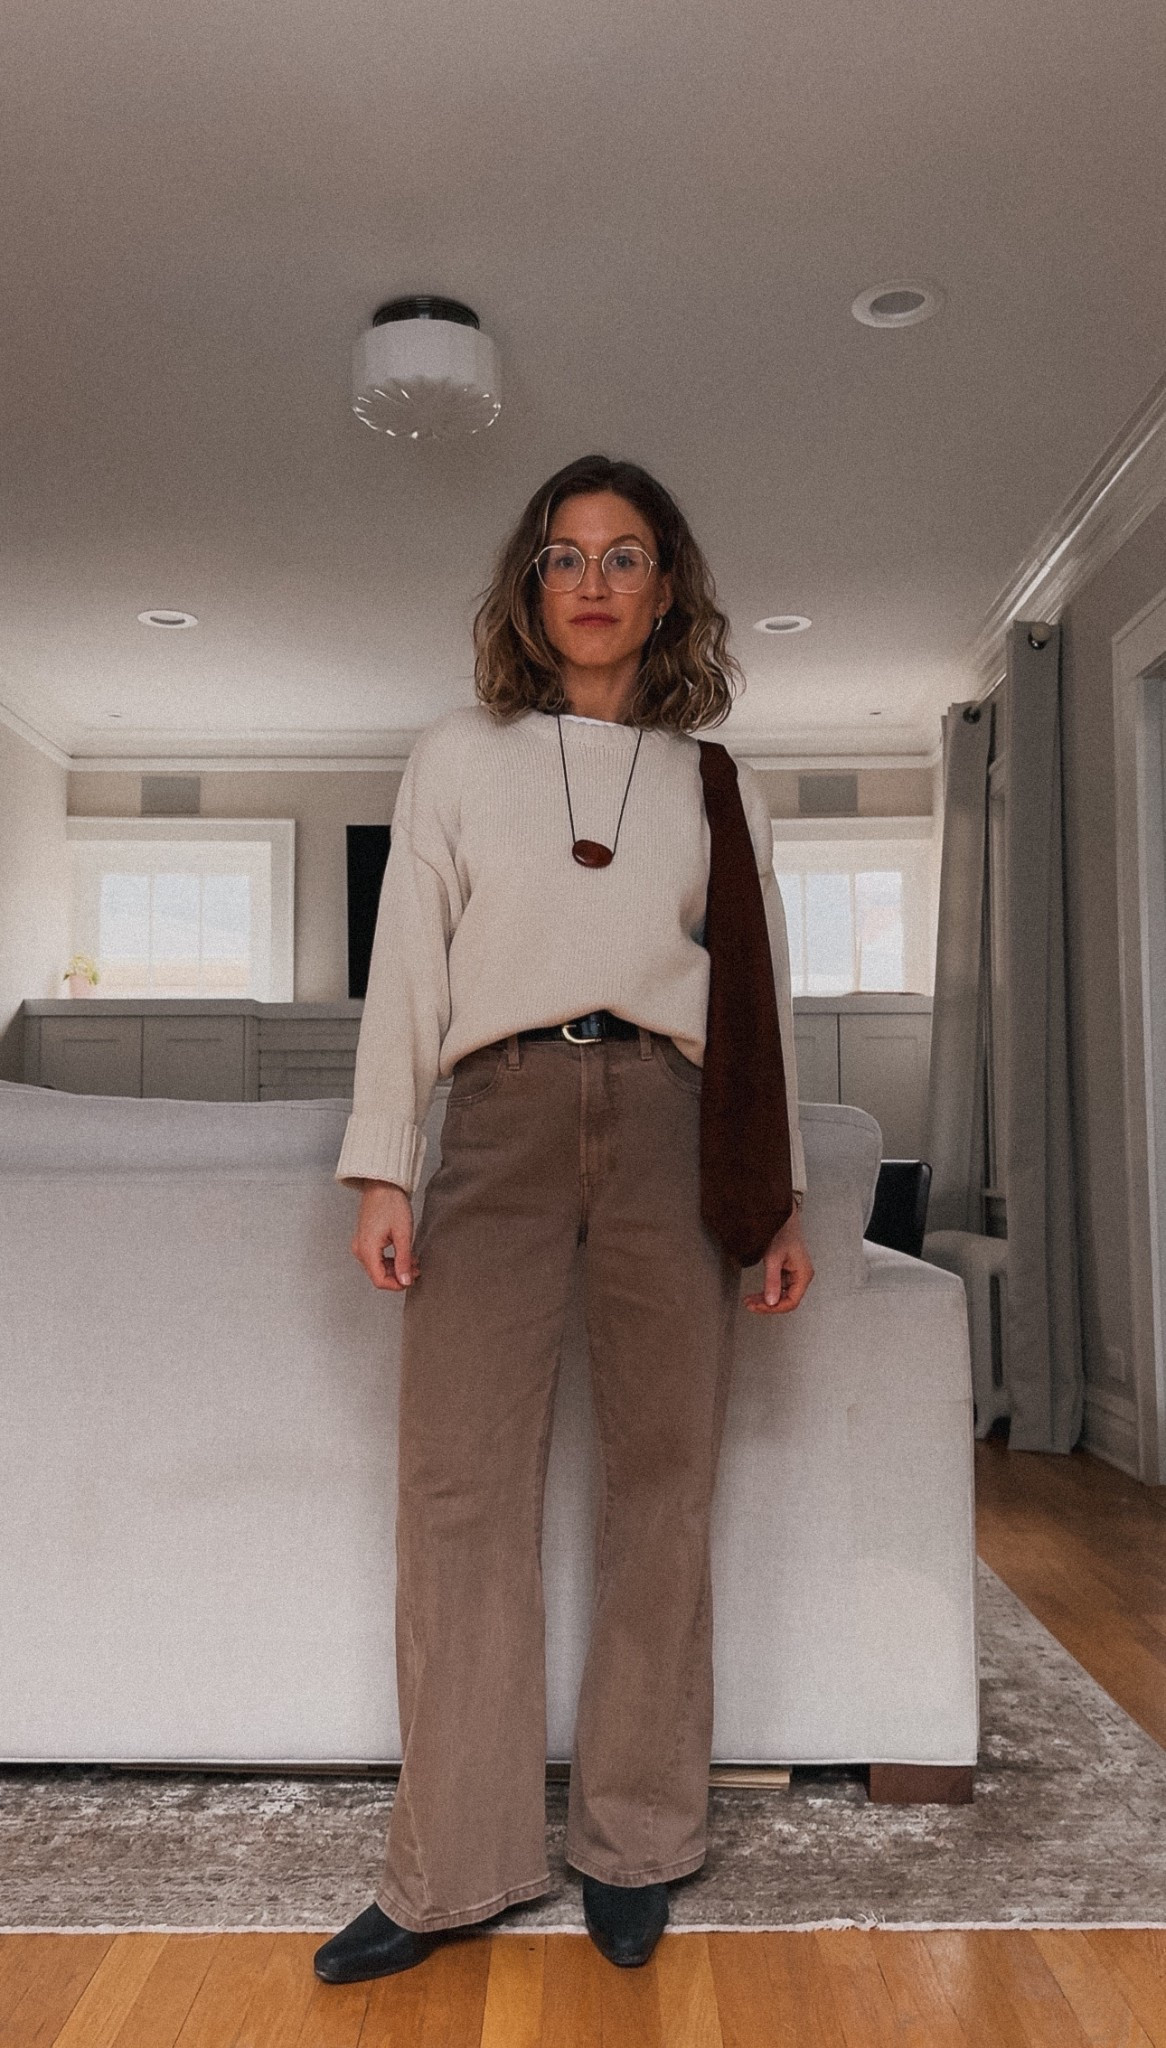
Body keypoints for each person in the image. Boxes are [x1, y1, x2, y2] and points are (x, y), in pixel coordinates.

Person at [313, 452, 813, 1984]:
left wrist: (777, 1198)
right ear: (530, 587)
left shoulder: (713, 782)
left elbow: (760, 1004)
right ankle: (451, 1868)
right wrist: (386, 1161)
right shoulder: (456, 755)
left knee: (662, 1486)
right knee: (458, 1486)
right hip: (502, 1118)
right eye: (564, 555)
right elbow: (410, 958)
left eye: (624, 555)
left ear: (666, 590)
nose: (592, 582)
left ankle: (633, 1845)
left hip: (673, 1123)